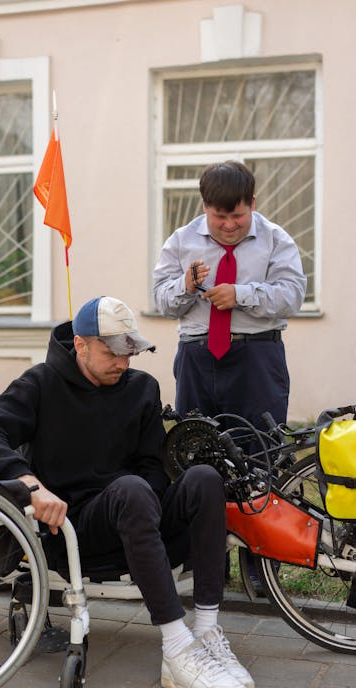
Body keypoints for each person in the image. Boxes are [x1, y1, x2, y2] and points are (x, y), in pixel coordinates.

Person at [0, 295, 253, 688]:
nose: (123, 362)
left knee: (203, 479)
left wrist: (149, 508)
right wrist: (31, 485)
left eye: (129, 351)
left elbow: (152, 466)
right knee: (130, 490)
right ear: (80, 344)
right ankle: (176, 647)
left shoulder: (141, 388)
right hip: (76, 528)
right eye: (111, 352)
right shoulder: (40, 383)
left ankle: (205, 633)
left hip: (138, 520)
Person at [153, 160, 307, 593]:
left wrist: (240, 295)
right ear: (205, 208)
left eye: (237, 216)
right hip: (198, 358)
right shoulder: (181, 242)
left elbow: (293, 295)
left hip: (257, 357)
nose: (228, 226)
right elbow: (161, 300)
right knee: (197, 457)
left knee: (260, 457)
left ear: (252, 204)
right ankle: (207, 559)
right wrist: (185, 285)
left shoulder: (276, 240)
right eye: (219, 217)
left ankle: (258, 559)